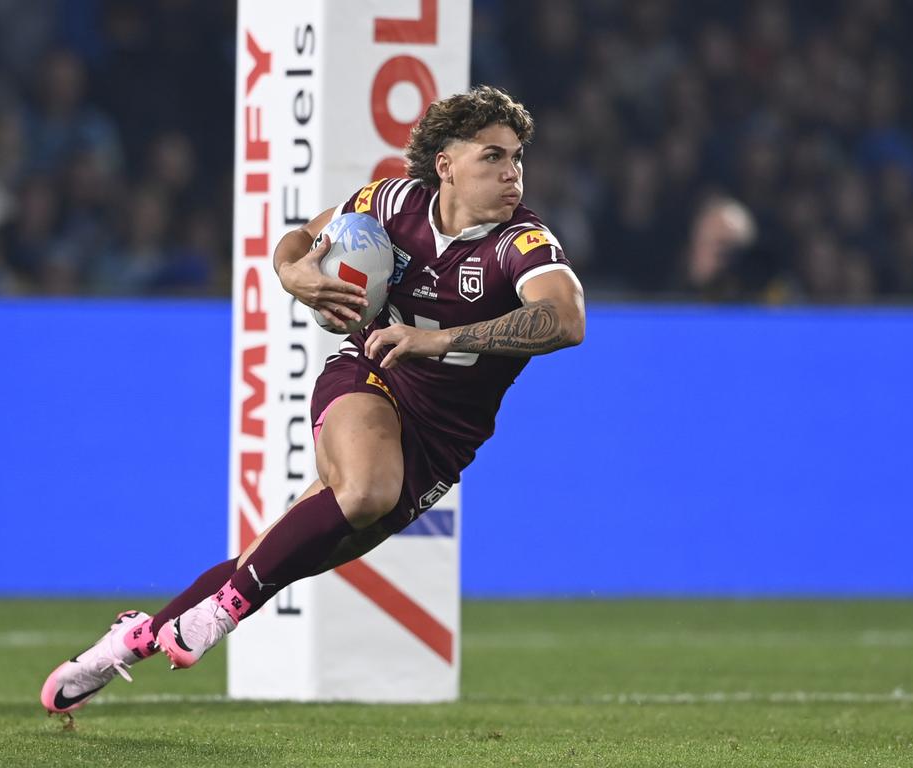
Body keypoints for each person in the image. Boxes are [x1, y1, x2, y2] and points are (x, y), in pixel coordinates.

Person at [40, 85, 585, 716]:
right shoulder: (390, 202)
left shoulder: (521, 244)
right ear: (446, 165)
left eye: (517, 157)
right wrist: (294, 274)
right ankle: (220, 615)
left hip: (441, 444)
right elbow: (300, 242)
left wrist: (436, 341)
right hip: (368, 377)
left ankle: (126, 643)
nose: (512, 173)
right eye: (492, 156)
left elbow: (566, 320)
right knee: (365, 491)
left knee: (280, 556)